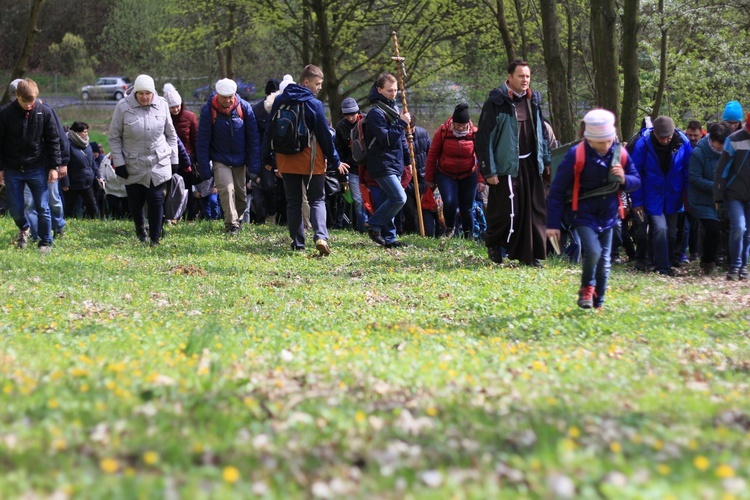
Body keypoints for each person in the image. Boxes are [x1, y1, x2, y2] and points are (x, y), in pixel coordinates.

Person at [547, 109, 640, 309]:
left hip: (610, 214)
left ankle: (598, 302)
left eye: (608, 141)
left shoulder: (619, 153)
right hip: (583, 214)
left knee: (605, 261)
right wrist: (553, 225)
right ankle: (586, 288)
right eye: (600, 142)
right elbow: (556, 191)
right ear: (588, 139)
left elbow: (636, 181)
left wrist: (623, 178)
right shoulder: (575, 155)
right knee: (594, 252)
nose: (605, 146)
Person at [262, 65, 345, 255]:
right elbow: (324, 136)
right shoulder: (313, 104)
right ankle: (320, 237)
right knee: (317, 199)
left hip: (285, 158)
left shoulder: (280, 100)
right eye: (317, 84)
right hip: (310, 159)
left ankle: (298, 244)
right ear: (306, 82)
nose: (319, 88)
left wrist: (266, 157)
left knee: (293, 202)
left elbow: (270, 130)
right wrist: (335, 161)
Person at [475, 59, 551, 266]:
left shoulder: (533, 100)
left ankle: (530, 256)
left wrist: (546, 160)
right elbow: (484, 139)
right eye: (520, 76)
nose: (525, 80)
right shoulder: (496, 102)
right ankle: (494, 244)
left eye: (527, 76)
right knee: (509, 212)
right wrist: (489, 170)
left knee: (534, 211)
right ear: (509, 77)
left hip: (530, 165)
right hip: (506, 167)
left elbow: (541, 133)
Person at [109, 74, 178, 246]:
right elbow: (114, 138)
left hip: (157, 161)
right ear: (135, 93)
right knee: (136, 201)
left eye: (148, 93)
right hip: (132, 163)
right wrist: (119, 163)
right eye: (141, 94)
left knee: (155, 200)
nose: (145, 97)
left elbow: (171, 135)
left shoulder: (162, 104)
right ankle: (141, 229)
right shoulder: (123, 107)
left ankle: (155, 238)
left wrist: (174, 158)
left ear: (153, 92)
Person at [0, 78, 62, 253]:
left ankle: (45, 242)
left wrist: (54, 167)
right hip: (12, 168)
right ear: (17, 96)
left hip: (36, 167)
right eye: (24, 101)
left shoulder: (44, 112)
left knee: (43, 207)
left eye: (32, 101)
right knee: (16, 209)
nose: (29, 105)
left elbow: (53, 140)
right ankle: (24, 227)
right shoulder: (4, 114)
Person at [196, 78, 260, 235]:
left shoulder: (245, 108)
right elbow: (203, 141)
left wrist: (254, 165)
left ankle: (237, 220)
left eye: (230, 96)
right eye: (224, 97)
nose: (228, 100)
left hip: (240, 159)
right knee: (226, 189)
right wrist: (204, 167)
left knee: (241, 196)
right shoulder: (208, 110)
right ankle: (231, 225)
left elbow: (253, 138)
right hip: (220, 159)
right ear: (217, 95)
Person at [630, 116, 692, 275]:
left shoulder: (682, 142)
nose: (665, 140)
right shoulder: (642, 144)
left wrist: (688, 197)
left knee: (672, 233)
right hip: (652, 195)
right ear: (655, 133)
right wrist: (637, 201)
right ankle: (662, 267)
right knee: (660, 229)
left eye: (668, 137)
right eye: (662, 137)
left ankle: (665, 262)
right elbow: (635, 173)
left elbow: (687, 171)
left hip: (674, 195)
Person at [363, 73, 411, 248]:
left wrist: (408, 161)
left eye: (395, 90)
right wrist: (402, 123)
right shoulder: (376, 113)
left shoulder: (394, 109)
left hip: (395, 162)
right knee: (399, 198)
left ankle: (389, 238)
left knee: (388, 201)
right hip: (381, 163)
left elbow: (401, 140)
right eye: (390, 90)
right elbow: (385, 139)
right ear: (379, 90)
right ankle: (373, 224)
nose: (393, 93)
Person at [425, 102, 480, 239]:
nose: (461, 128)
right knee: (449, 202)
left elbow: (482, 156)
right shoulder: (443, 132)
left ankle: (469, 235)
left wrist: (482, 179)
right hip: (446, 174)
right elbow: (432, 155)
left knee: (466, 207)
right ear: (453, 123)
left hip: (468, 173)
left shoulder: (474, 133)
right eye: (458, 125)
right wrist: (430, 178)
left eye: (463, 126)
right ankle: (449, 228)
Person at [689, 122, 729, 275]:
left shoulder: (727, 152)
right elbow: (694, 178)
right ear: (712, 140)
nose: (722, 147)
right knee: (712, 229)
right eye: (720, 143)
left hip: (720, 200)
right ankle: (708, 261)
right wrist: (717, 186)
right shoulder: (699, 153)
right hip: (701, 200)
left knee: (719, 230)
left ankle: (713, 259)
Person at [714, 113, 750, 281]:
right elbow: (722, 170)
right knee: (739, 227)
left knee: (748, 232)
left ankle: (743, 265)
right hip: (734, 193)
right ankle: (734, 265)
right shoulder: (734, 139)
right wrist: (718, 197)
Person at [163, 83, 200, 220]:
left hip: (186, 159)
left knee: (187, 189)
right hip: (168, 159)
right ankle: (172, 216)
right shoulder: (164, 118)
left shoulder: (190, 117)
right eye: (172, 107)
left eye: (178, 105)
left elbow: (195, 140)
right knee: (170, 189)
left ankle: (190, 216)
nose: (176, 109)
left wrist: (194, 159)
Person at [334, 97, 367, 232]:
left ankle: (374, 226)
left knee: (370, 199)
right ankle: (362, 227)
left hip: (368, 168)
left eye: (353, 114)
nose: (351, 117)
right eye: (347, 115)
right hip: (352, 168)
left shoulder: (366, 122)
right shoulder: (341, 127)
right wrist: (342, 178)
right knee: (358, 200)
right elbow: (339, 153)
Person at [60, 121, 101, 218]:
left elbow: (92, 163)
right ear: (76, 133)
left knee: (92, 206)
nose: (86, 134)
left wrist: (99, 176)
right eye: (84, 132)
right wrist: (64, 182)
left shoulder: (87, 145)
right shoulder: (68, 145)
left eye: (87, 132)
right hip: (72, 182)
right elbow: (63, 164)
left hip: (87, 181)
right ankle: (65, 224)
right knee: (69, 207)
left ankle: (94, 223)